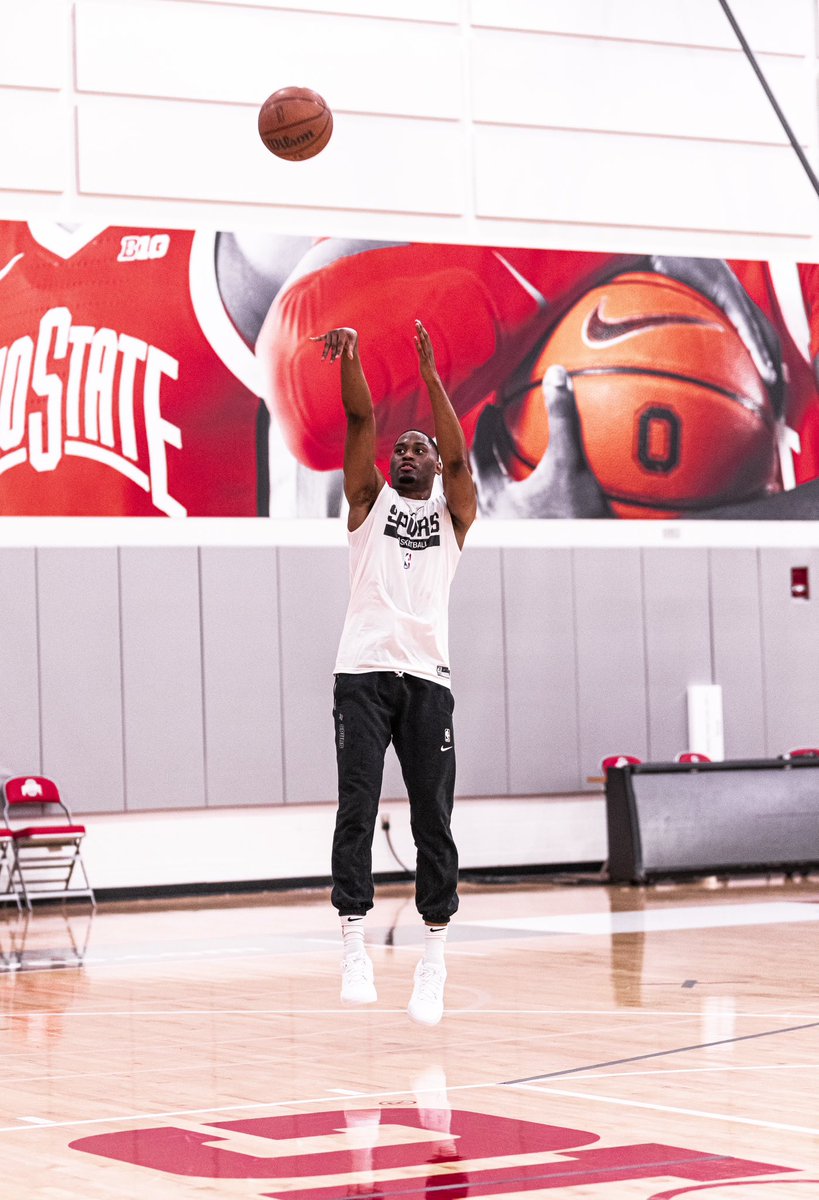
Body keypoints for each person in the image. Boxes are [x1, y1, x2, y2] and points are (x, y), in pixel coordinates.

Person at [313, 318, 477, 1027]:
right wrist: (349, 357)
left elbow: (463, 461)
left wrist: (434, 379)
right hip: (363, 672)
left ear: (435, 467)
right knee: (356, 804)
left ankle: (433, 958)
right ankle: (353, 941)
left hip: (428, 682)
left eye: (420, 449)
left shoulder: (453, 516)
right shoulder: (367, 503)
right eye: (401, 448)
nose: (407, 453)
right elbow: (358, 416)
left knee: (431, 818)